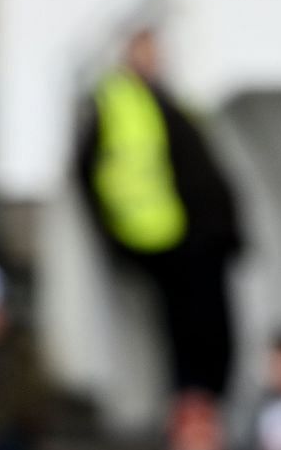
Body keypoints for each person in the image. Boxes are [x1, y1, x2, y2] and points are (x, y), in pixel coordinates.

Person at [76, 27, 243, 399]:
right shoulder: (118, 101)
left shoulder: (164, 98)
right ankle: (193, 403)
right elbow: (89, 170)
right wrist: (115, 233)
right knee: (187, 331)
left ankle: (204, 403)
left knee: (208, 328)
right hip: (164, 239)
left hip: (196, 236)